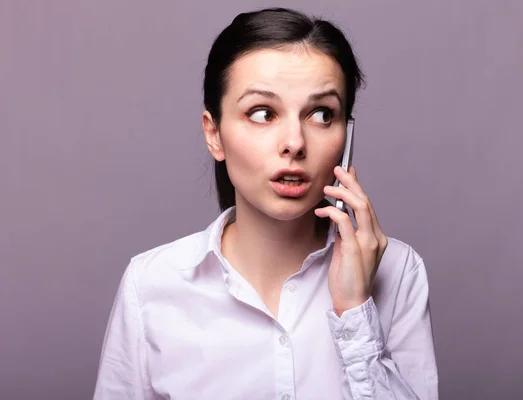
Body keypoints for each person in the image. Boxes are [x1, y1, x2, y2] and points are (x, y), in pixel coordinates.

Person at [93, 7, 438, 400]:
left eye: (322, 114)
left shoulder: (397, 272)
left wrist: (356, 312)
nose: (294, 142)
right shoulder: (152, 284)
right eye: (263, 113)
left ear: (347, 133)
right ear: (214, 134)